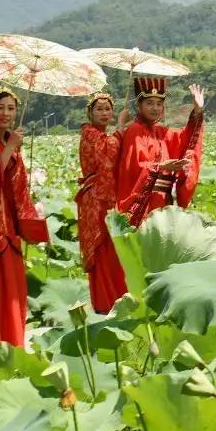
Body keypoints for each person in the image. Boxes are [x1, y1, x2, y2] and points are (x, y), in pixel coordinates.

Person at [0, 89, 50, 349]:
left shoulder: (7, 141)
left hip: (10, 227)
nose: (6, 114)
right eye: (0, 108)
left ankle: (12, 344)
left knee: (14, 292)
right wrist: (11, 149)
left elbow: (16, 187)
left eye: (11, 109)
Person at [116, 77, 206, 225]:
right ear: (139, 105)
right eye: (149, 103)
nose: (155, 108)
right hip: (146, 201)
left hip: (164, 200)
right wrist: (161, 166)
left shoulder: (161, 130)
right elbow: (132, 168)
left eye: (159, 104)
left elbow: (186, 140)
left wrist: (197, 110)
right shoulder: (135, 130)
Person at [77, 92, 129, 312]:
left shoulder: (103, 135)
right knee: (102, 251)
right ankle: (104, 302)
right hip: (96, 200)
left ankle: (117, 296)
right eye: (99, 109)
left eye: (108, 108)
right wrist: (120, 128)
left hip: (108, 199)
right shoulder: (89, 134)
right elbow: (107, 157)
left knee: (113, 251)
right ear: (90, 113)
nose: (104, 113)